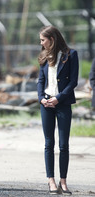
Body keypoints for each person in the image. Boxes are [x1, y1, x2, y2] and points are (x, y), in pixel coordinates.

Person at [37, 26, 78, 195]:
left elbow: (73, 81)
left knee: (63, 145)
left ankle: (63, 181)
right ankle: (51, 181)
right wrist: (41, 98)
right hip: (46, 103)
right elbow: (40, 80)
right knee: (48, 144)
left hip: (62, 103)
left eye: (43, 40)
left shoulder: (71, 55)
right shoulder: (43, 56)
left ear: (52, 39)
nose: (41, 43)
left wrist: (59, 98)